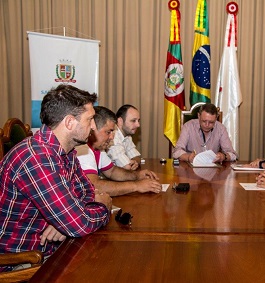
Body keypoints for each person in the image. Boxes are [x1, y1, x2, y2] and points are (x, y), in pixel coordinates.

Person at [0, 84, 111, 271]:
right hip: (21, 260)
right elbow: (80, 224)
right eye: (90, 119)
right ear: (69, 123)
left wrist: (64, 222)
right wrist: (104, 206)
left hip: (49, 249)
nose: (93, 126)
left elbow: (87, 193)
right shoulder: (37, 158)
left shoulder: (64, 152)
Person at [77, 106, 162, 196]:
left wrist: (138, 175)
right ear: (93, 129)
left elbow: (112, 171)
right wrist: (136, 186)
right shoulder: (83, 149)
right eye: (108, 132)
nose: (112, 137)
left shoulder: (98, 148)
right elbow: (95, 185)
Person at [172, 103, 238, 163]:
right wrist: (188, 157)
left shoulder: (221, 129)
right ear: (199, 116)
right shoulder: (188, 126)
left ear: (216, 119)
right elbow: (177, 151)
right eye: (204, 121)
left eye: (211, 122)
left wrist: (224, 156)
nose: (207, 125)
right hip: (191, 170)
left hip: (213, 171)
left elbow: (233, 155)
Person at [107, 104, 142, 170]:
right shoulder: (113, 137)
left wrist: (134, 162)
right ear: (120, 121)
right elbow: (127, 167)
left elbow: (136, 157)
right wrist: (131, 163)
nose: (138, 125)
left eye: (138, 120)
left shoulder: (127, 136)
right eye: (133, 120)